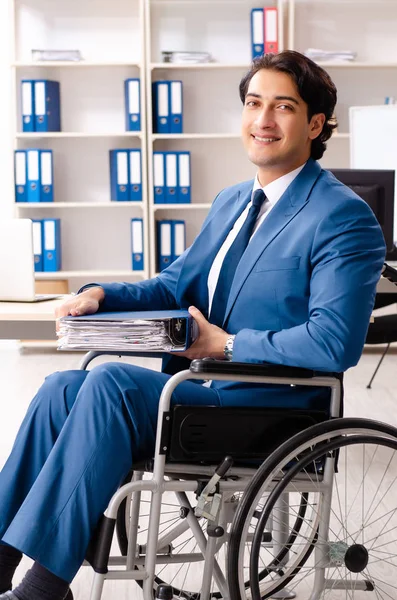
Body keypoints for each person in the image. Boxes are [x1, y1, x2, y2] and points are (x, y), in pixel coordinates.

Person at [0, 50, 385, 600]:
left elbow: (334, 342)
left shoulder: (342, 216)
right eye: (254, 104)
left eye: (283, 107)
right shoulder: (233, 200)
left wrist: (224, 343)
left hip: (271, 404)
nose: (263, 121)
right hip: (205, 392)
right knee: (61, 387)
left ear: (316, 124)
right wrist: (101, 294)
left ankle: (43, 587)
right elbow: (175, 284)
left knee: (110, 383)